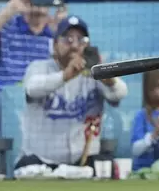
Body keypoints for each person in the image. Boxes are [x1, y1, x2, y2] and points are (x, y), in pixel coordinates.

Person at [16, 16, 128, 175]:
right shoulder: (39, 68)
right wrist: (65, 75)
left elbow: (120, 93)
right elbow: (32, 88)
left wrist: (109, 79)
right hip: (41, 162)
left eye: (81, 39)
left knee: (105, 167)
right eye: (68, 39)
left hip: (82, 162)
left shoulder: (95, 72)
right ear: (55, 45)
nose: (74, 45)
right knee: (26, 168)